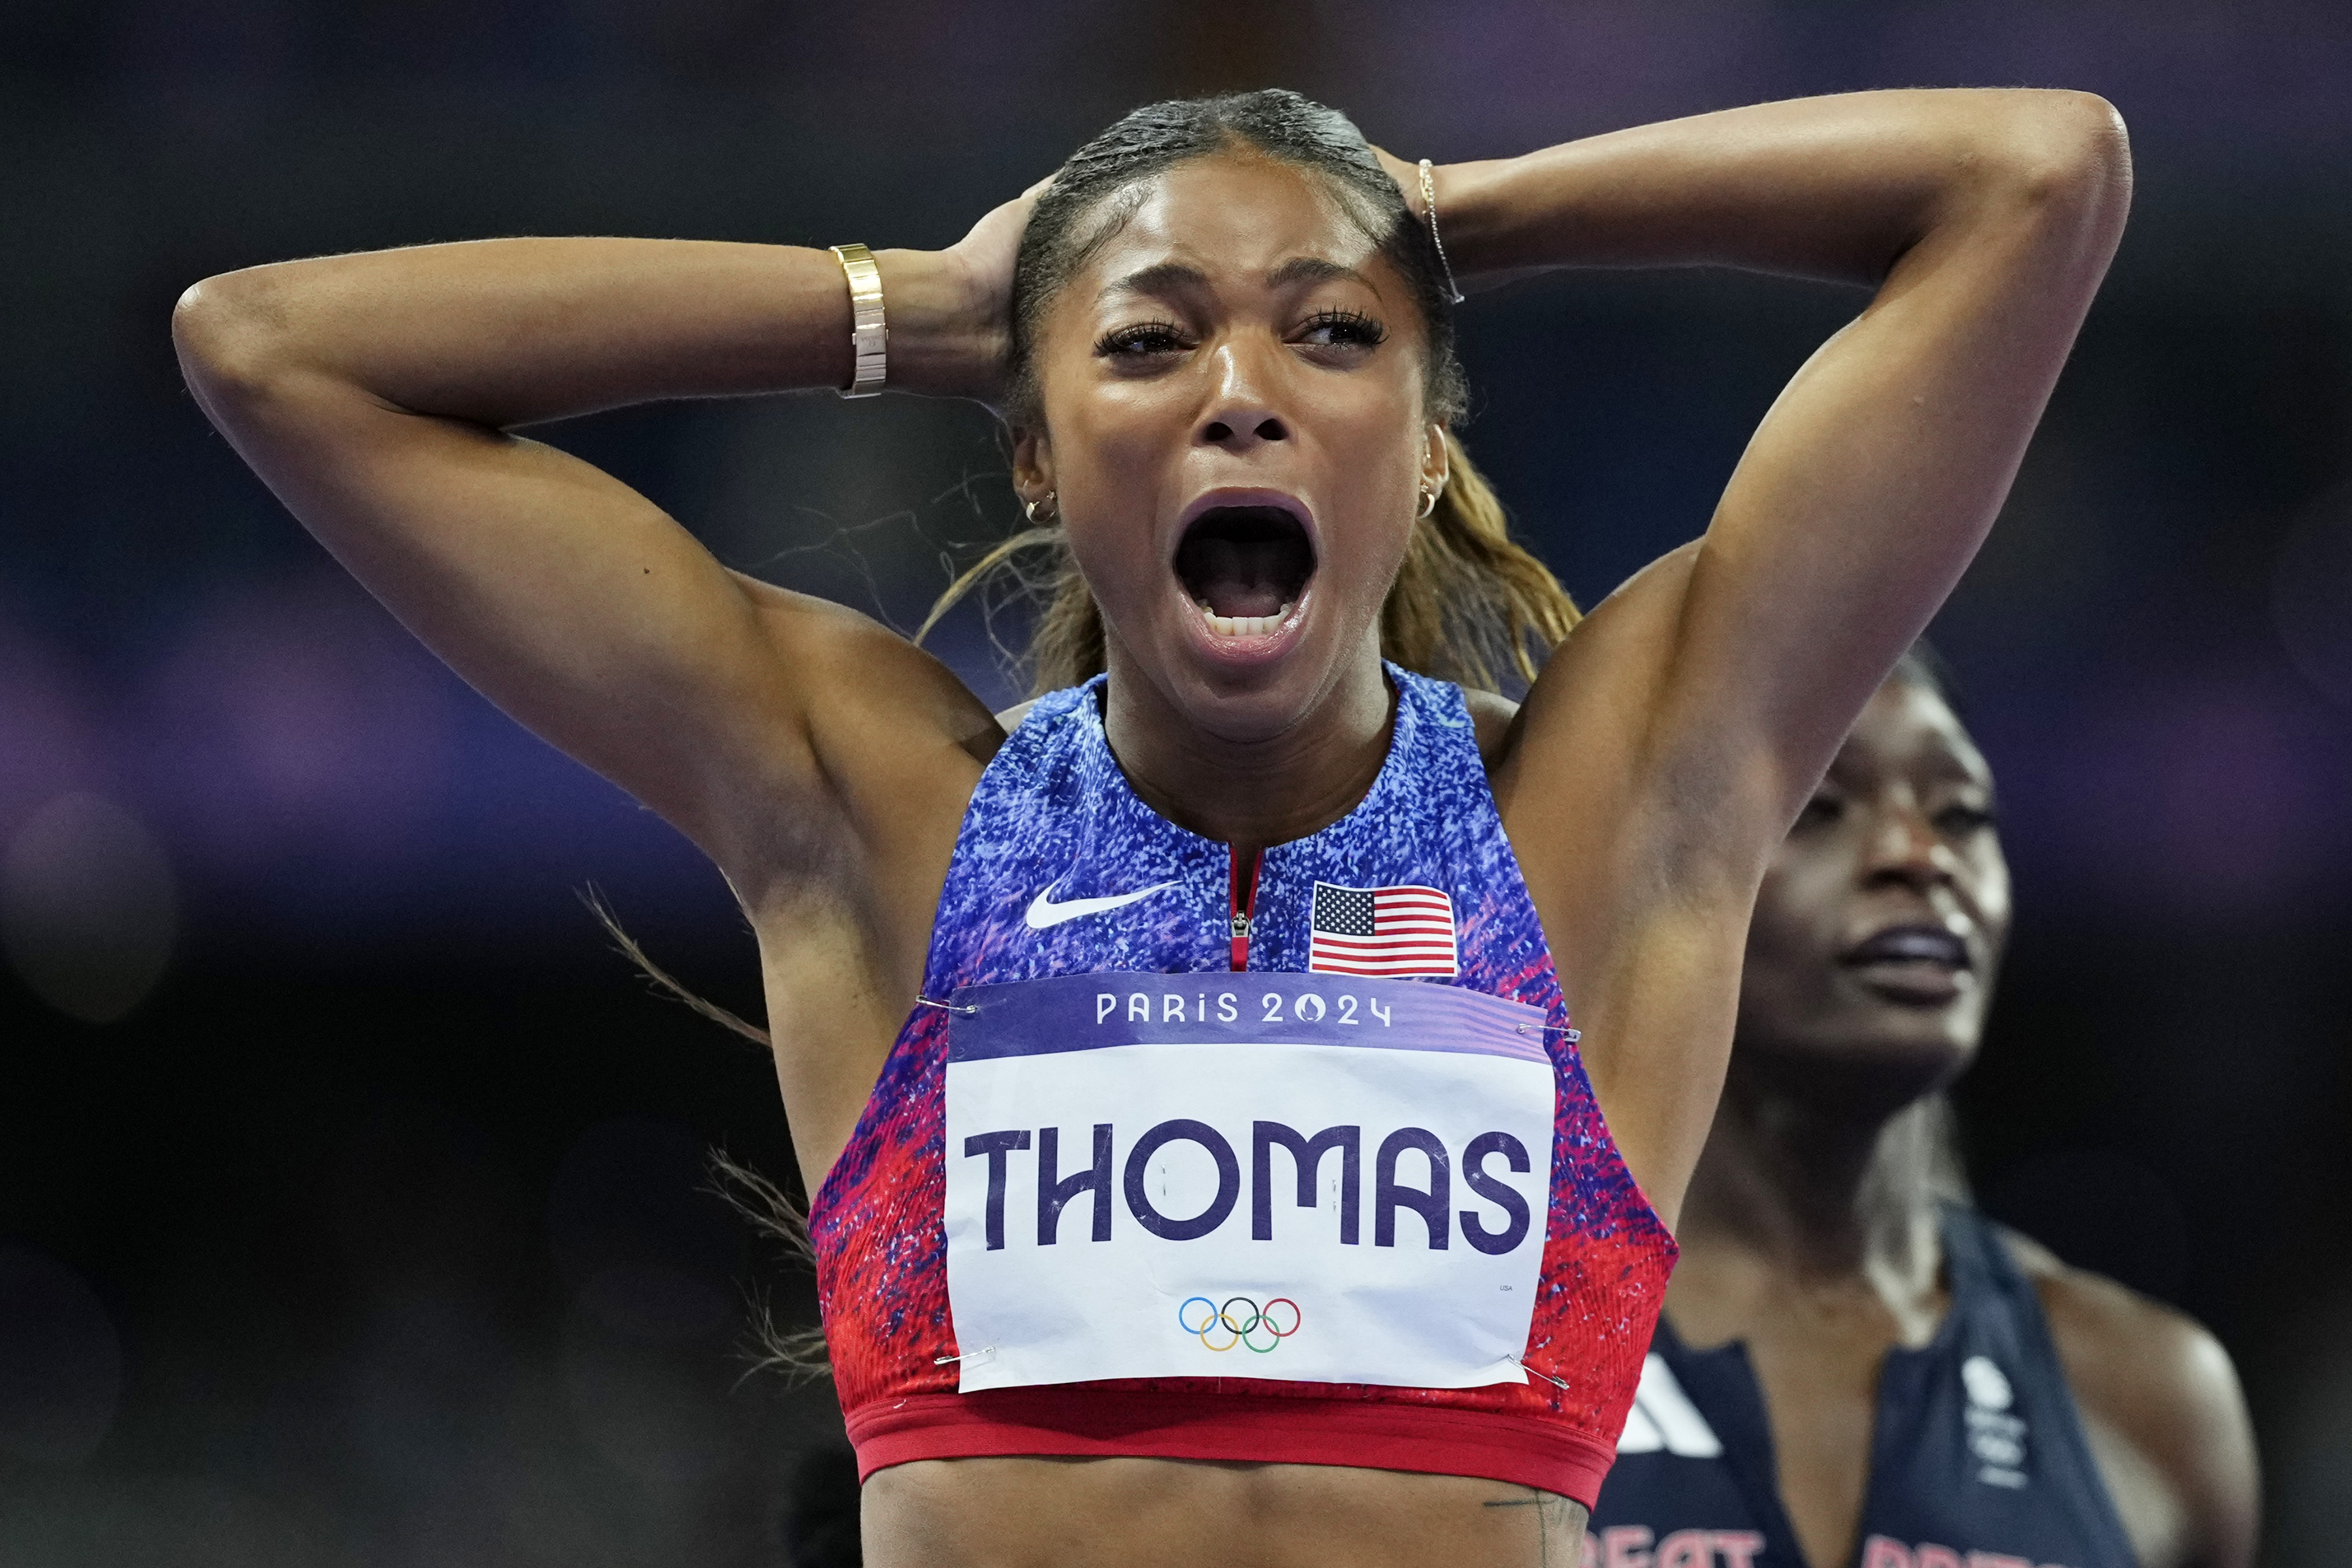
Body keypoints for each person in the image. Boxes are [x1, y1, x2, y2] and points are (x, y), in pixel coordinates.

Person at [171, 84, 2130, 1568]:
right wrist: (919, 305)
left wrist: (1438, 218)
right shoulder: (886, 817)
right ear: (1030, 447)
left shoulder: (1605, 827)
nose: (1243, 396)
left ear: (1429, 441)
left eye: (1333, 338)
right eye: (1146, 338)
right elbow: (274, 350)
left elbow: (2036, 178)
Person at [1588, 650, 2259, 1568]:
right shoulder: (1485, 1339)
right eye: (1817, 808)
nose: (1920, 855)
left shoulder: (2147, 1398)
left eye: (1962, 815)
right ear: (1638, 876)